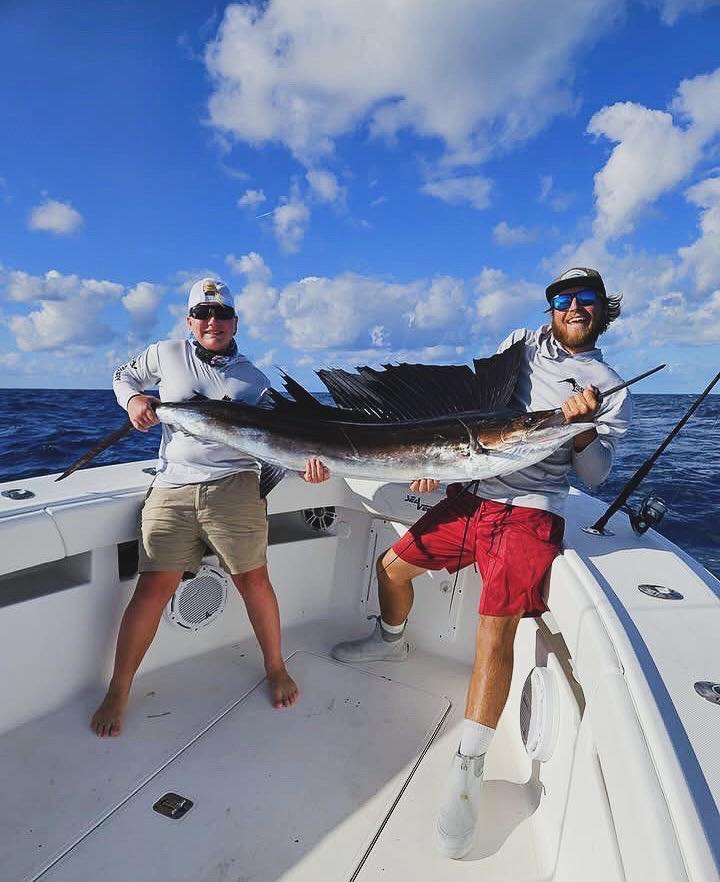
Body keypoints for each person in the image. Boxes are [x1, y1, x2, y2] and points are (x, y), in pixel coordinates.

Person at [330, 267, 632, 859]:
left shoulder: (611, 387)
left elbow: (595, 474)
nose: (574, 307)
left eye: (586, 299)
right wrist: (432, 460)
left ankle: (468, 769)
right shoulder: (517, 346)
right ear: (551, 308)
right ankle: (391, 637)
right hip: (470, 489)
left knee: (492, 635)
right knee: (391, 567)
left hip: (530, 511)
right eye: (562, 299)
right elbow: (471, 410)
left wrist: (577, 432)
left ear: (603, 309)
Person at [92, 278, 329, 737]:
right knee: (153, 587)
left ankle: (276, 667)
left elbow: (278, 444)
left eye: (221, 315)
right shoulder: (165, 354)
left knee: (254, 580)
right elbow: (124, 377)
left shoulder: (254, 380)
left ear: (235, 321)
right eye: (202, 314)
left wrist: (307, 468)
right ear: (189, 321)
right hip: (173, 487)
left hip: (235, 486)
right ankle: (118, 689)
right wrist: (136, 400)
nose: (212, 322)